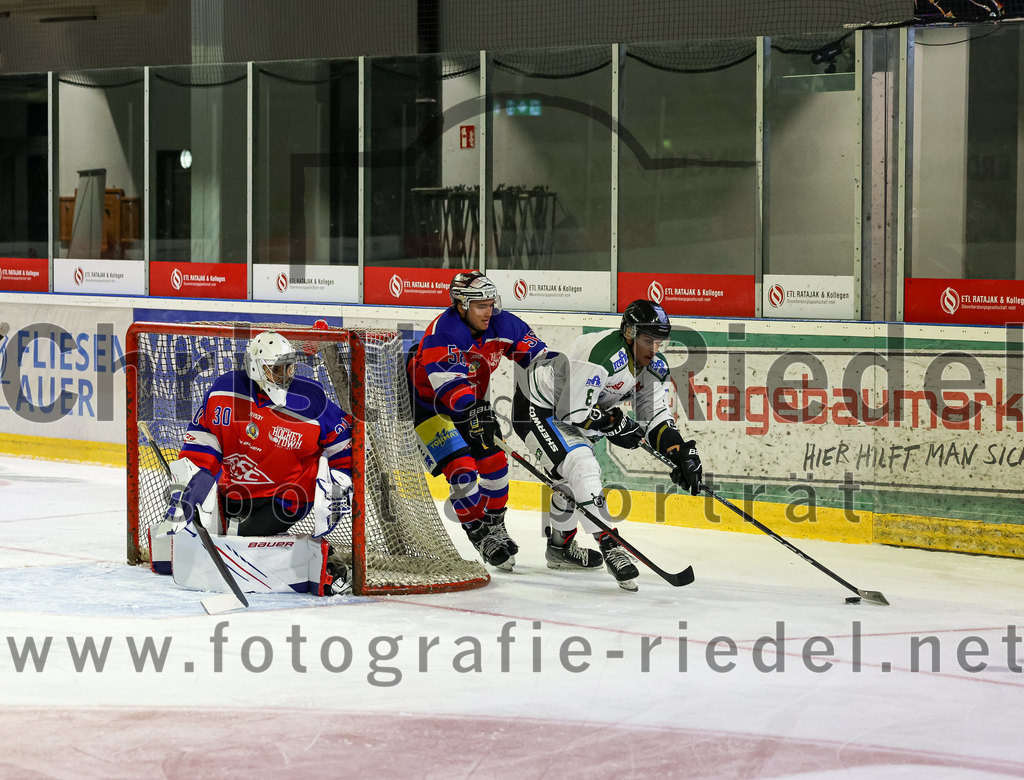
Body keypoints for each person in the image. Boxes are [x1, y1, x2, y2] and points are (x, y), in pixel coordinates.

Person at [511, 299, 702, 591]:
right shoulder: (601, 353)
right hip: (539, 406)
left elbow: (655, 418)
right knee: (581, 465)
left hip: (575, 411)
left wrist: (678, 452)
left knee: (570, 479)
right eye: (647, 340)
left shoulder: (653, 366)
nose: (653, 350)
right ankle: (610, 544)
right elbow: (571, 411)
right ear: (629, 332)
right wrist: (615, 423)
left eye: (659, 342)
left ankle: (560, 549)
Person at [162, 330, 354, 596]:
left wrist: (341, 479)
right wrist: (190, 490)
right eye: (277, 369)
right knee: (209, 535)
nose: (285, 376)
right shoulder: (226, 392)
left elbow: (343, 439)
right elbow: (203, 448)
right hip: (236, 489)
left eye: (289, 368)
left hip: (289, 496)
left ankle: (326, 560)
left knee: (241, 542)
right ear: (257, 368)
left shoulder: (310, 399)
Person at [408, 271, 554, 571]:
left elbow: (540, 360)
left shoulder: (504, 323)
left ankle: (495, 525)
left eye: (490, 303)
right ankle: (479, 532)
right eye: (480, 306)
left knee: (496, 465)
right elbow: (450, 389)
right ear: (461, 305)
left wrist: (557, 385)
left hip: (474, 404)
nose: (489, 312)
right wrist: (474, 410)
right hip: (428, 405)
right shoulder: (442, 332)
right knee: (462, 471)